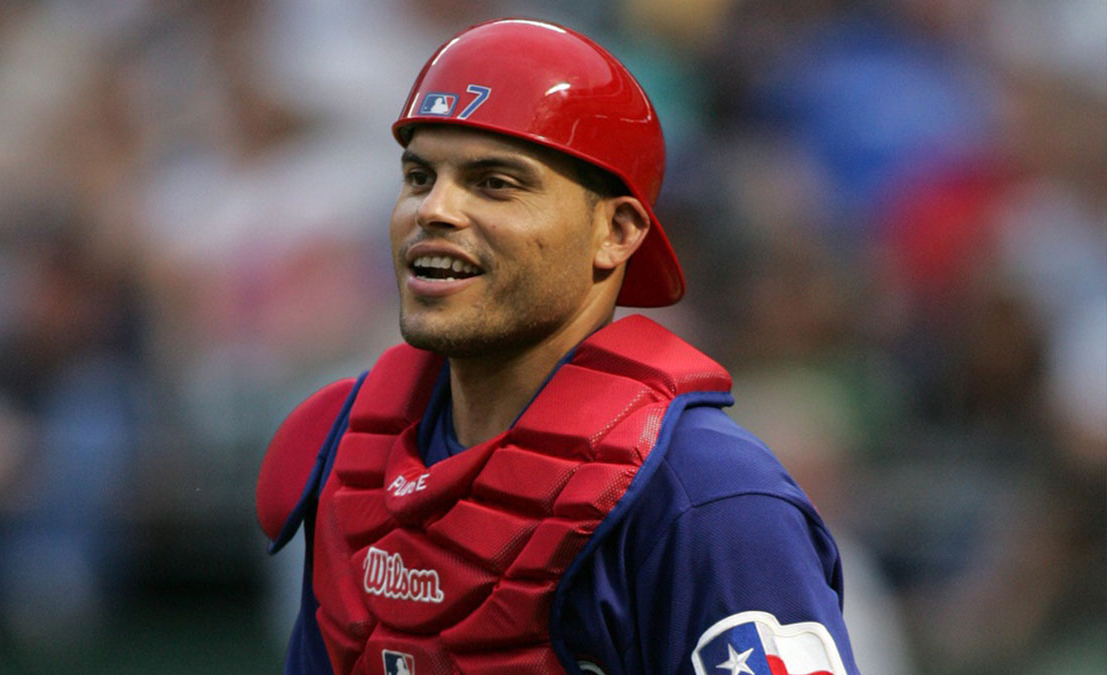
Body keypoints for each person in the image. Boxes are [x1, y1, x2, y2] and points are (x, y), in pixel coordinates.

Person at [257, 18, 860, 675]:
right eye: (420, 176)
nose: (434, 209)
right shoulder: (352, 456)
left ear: (617, 231)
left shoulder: (709, 498)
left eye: (495, 182)